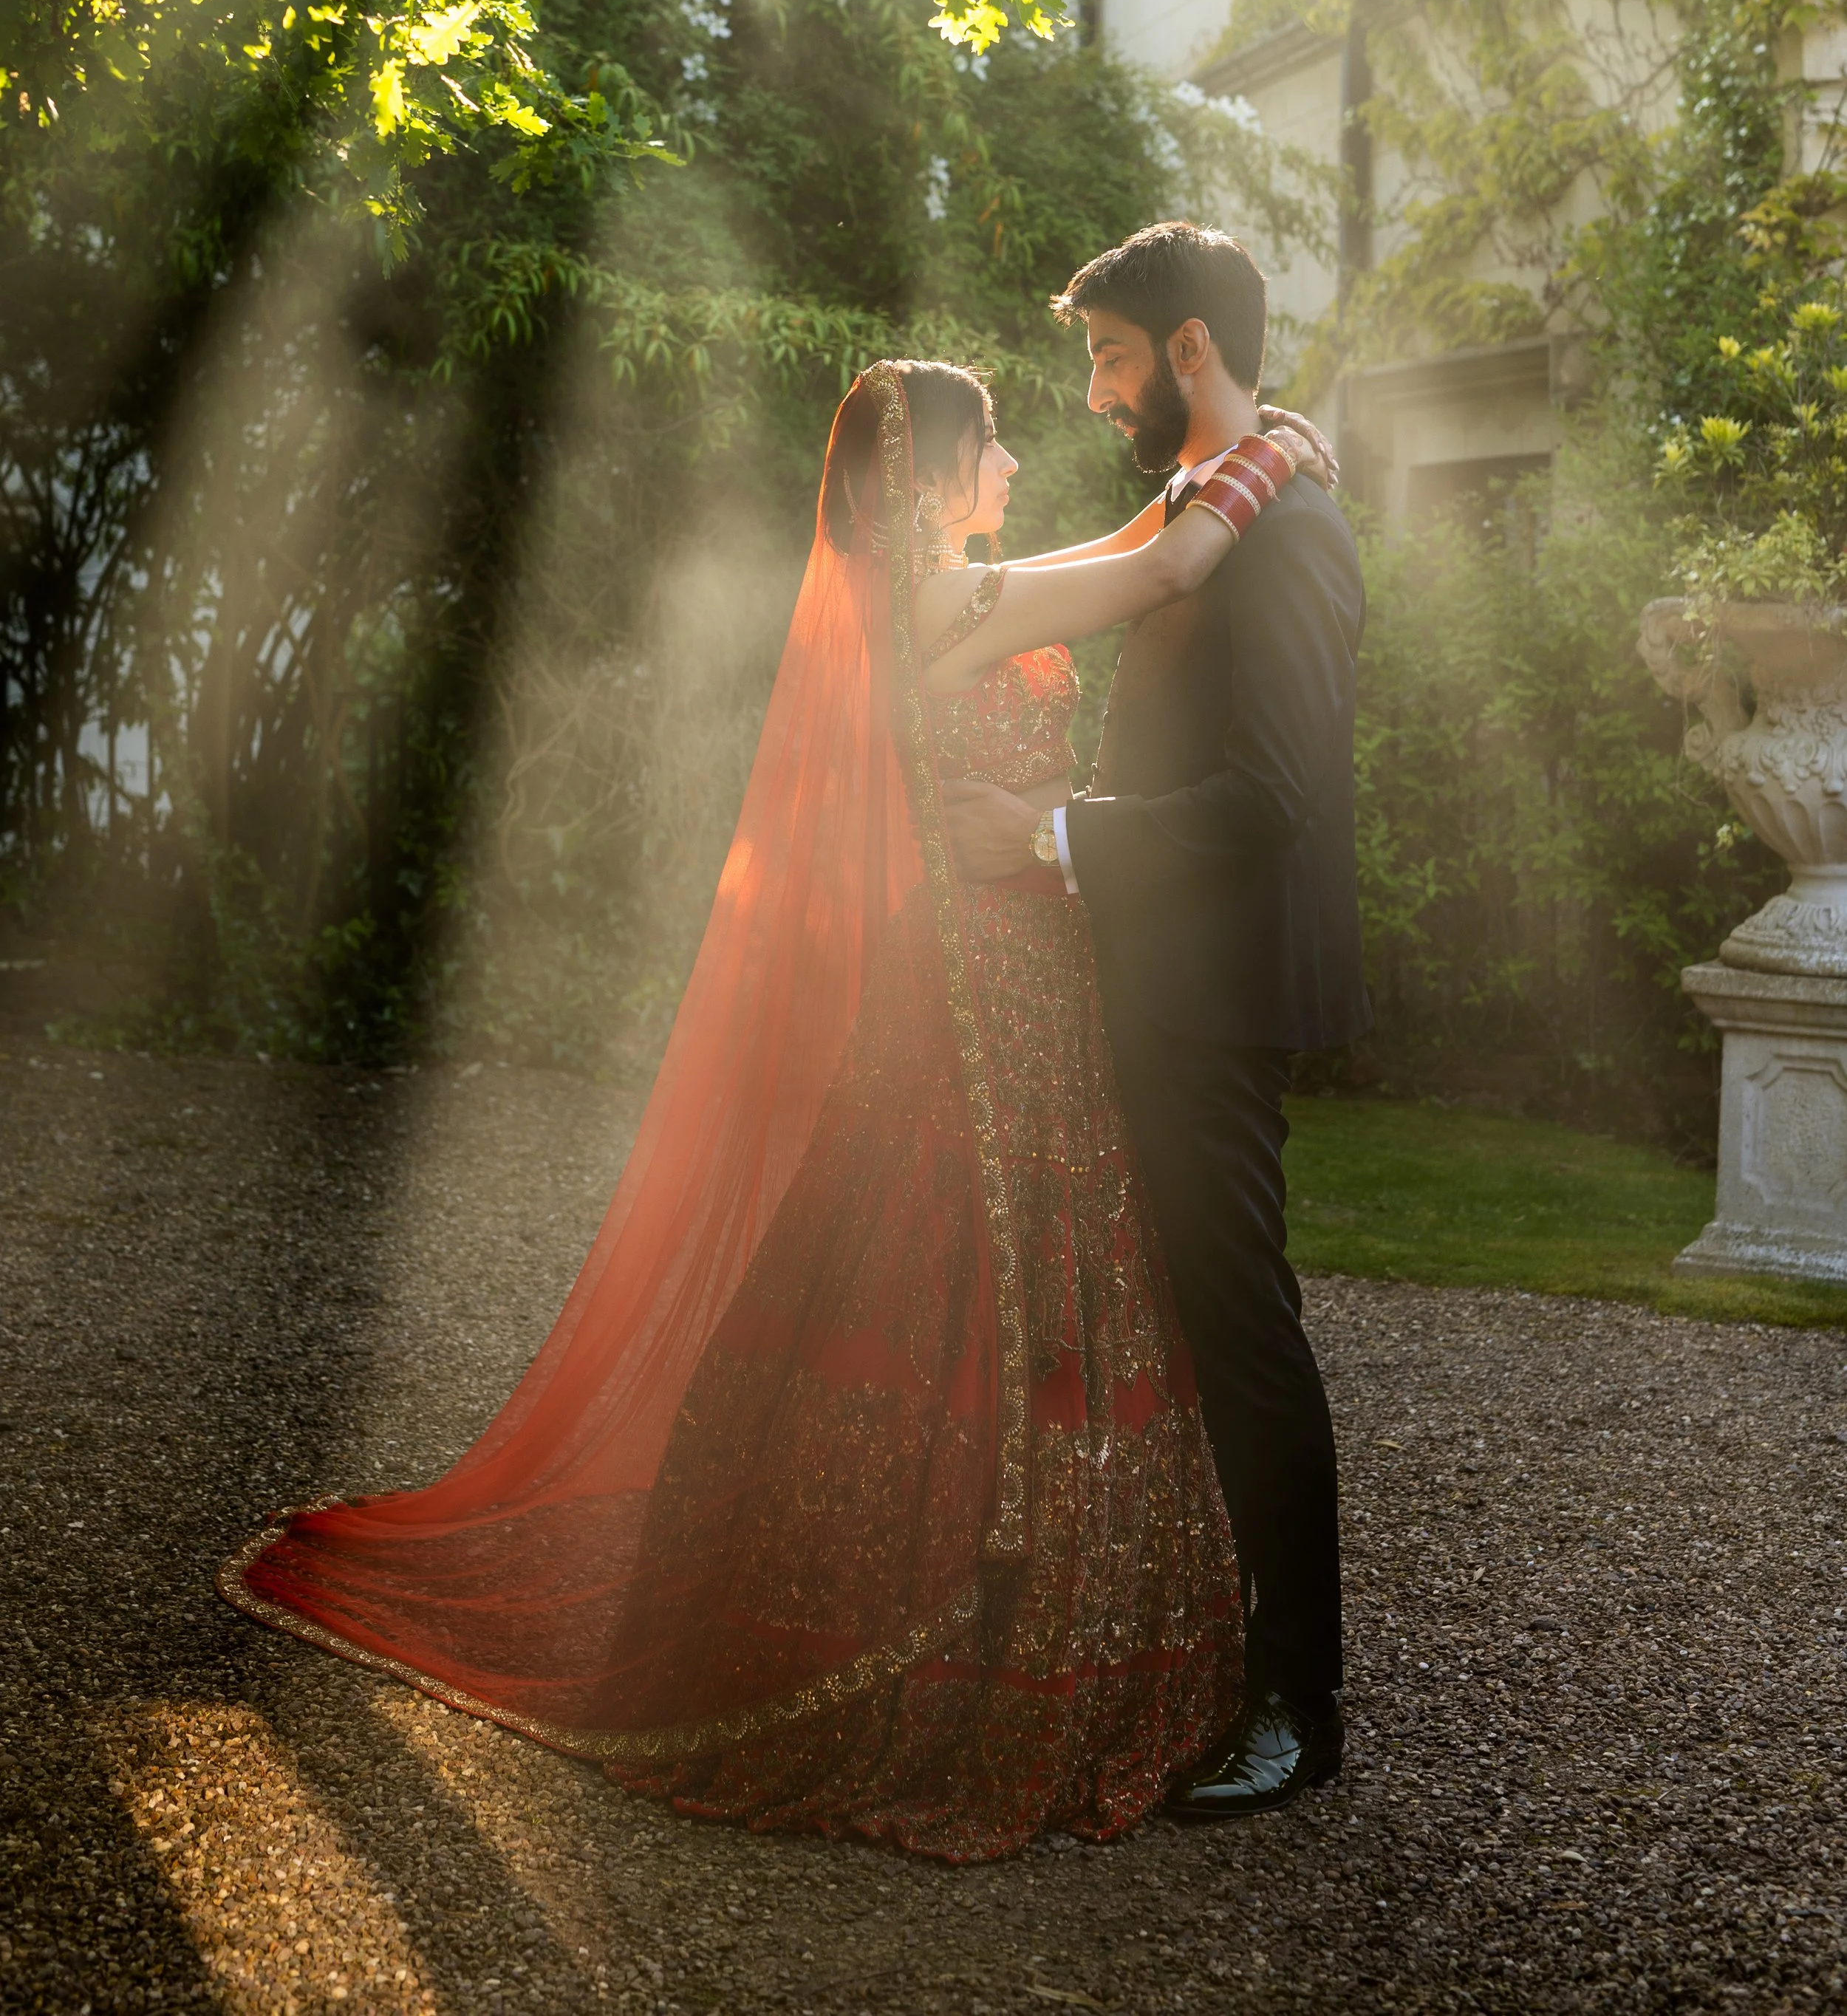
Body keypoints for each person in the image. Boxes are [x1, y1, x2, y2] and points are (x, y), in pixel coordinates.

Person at [221, 357, 1328, 1861]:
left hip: (1022, 972)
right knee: (963, 1282)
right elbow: (1170, 563)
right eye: (990, 441)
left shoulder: (953, 591)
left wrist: (1220, 473)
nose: (1012, 458)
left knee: (1016, 1285)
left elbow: (1136, 546)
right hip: (983, 990)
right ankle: (945, 1638)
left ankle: (993, 1610)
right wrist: (1274, 453)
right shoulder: (943, 608)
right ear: (935, 476)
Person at [943, 225, 1370, 1819]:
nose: (1095, 389)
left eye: (1112, 356)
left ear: (1191, 349)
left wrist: (1052, 837)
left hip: (1213, 997)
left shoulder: (1289, 531)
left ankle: (1296, 1705)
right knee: (1174, 1324)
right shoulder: (1217, 501)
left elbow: (1265, 800)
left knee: (1240, 1332)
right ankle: (1186, 1649)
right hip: (1151, 975)